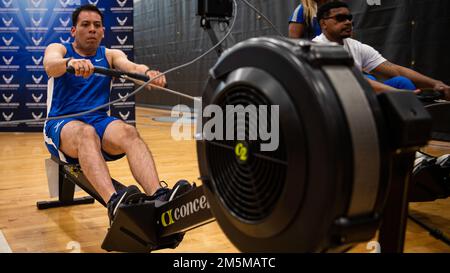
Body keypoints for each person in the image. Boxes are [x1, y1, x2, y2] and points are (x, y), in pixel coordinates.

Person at [43, 4, 191, 225]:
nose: (92, 29)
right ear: (73, 31)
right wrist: (69, 63)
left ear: (103, 31)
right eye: (85, 25)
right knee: (86, 133)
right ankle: (114, 204)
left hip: (99, 123)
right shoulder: (61, 49)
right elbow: (50, 65)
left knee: (128, 132)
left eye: (97, 25)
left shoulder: (110, 55)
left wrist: (147, 74)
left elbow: (131, 67)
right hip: (61, 125)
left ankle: (159, 196)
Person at [312, 1, 450, 98]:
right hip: (336, 103)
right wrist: (399, 94)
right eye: (340, 18)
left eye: (349, 18)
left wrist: (435, 83)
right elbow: (355, 81)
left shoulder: (355, 46)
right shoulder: (318, 48)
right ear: (323, 23)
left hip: (359, 96)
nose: (348, 22)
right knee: (371, 80)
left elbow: (396, 70)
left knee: (401, 82)